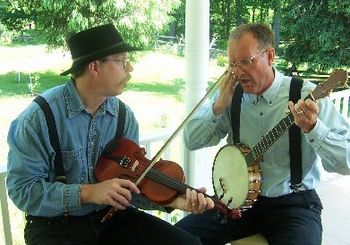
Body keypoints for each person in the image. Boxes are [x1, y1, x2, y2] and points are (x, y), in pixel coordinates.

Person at [6, 23, 214, 245]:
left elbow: (132, 187)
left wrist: (173, 201)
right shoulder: (38, 119)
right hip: (54, 227)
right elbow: (22, 190)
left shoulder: (123, 117)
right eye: (122, 60)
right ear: (95, 67)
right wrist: (88, 192)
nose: (130, 67)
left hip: (111, 219)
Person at [175, 23, 350, 245]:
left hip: (293, 204)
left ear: (269, 56)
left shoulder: (306, 95)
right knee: (177, 237)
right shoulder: (230, 95)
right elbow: (191, 140)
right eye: (232, 64)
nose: (238, 72)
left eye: (246, 62)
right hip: (238, 201)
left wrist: (314, 128)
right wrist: (218, 107)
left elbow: (347, 161)